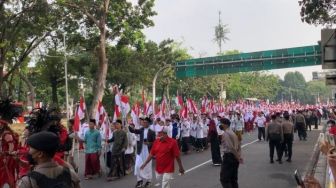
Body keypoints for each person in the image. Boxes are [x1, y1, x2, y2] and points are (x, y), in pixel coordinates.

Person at [0, 99, 22, 188]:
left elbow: (11, 145)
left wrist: (8, 154)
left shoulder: (6, 133)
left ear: (2, 125)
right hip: (4, 158)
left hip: (6, 159)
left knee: (5, 175)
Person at [129, 117, 156, 188]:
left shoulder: (152, 132)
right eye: (143, 122)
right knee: (137, 165)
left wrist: (149, 143)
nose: (144, 123)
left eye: (145, 122)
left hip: (148, 151)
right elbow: (133, 130)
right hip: (140, 151)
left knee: (148, 166)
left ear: (149, 123)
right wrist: (127, 125)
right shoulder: (141, 130)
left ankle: (149, 181)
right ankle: (139, 180)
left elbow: (155, 142)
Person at [218, 118, 242, 188]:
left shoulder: (226, 134)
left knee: (224, 179)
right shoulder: (232, 132)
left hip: (229, 157)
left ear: (225, 124)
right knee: (233, 179)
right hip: (234, 157)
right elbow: (239, 145)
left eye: (221, 123)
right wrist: (239, 156)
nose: (220, 125)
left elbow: (231, 147)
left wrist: (238, 157)